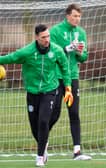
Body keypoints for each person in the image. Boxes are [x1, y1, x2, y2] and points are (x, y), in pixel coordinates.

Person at [0, 24, 73, 166]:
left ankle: (40, 157)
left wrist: (68, 87)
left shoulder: (57, 50)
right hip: (32, 93)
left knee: (43, 121)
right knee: (35, 128)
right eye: (43, 37)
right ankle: (43, 145)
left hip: (50, 90)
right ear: (37, 38)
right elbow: (9, 58)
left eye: (48, 36)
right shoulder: (27, 52)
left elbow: (65, 68)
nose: (47, 39)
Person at [49, 3, 92, 160]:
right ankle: (43, 145)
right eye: (74, 16)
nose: (77, 19)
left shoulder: (81, 32)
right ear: (67, 16)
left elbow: (84, 57)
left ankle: (77, 151)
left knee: (74, 113)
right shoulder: (55, 31)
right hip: (57, 77)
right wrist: (67, 49)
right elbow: (51, 54)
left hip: (73, 77)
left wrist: (80, 52)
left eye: (79, 16)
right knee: (55, 113)